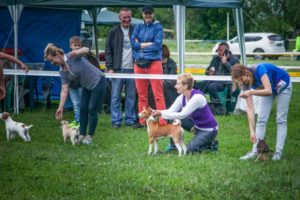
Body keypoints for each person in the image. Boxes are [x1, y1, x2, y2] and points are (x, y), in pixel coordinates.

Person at [44, 43, 107, 145]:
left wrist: (76, 52)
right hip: (86, 86)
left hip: (99, 81)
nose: (52, 63)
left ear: (57, 54)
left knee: (91, 109)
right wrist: (60, 107)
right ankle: (81, 136)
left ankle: (89, 137)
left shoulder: (72, 56)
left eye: (52, 60)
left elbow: (86, 49)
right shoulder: (62, 71)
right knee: (82, 109)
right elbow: (64, 89)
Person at [231, 63, 292, 161]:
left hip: (283, 84)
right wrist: (252, 132)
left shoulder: (260, 69)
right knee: (261, 118)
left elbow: (268, 91)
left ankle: (278, 152)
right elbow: (250, 109)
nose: (241, 82)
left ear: (246, 73)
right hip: (270, 88)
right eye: (238, 80)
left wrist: (251, 92)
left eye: (241, 79)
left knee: (281, 119)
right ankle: (255, 150)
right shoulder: (245, 83)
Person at [152, 73, 218, 154]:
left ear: (185, 86)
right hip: (197, 127)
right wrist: (157, 112)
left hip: (209, 130)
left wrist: (160, 114)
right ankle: (174, 146)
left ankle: (211, 144)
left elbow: (182, 115)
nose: (175, 86)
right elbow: (171, 111)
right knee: (173, 118)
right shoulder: (182, 97)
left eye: (178, 84)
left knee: (188, 151)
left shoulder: (197, 98)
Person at [105, 8, 141, 129]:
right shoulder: (113, 32)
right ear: (119, 17)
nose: (127, 19)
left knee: (131, 96)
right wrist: (110, 68)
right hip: (117, 69)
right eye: (124, 17)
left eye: (129, 17)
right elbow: (108, 51)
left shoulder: (136, 30)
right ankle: (116, 121)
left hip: (133, 69)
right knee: (115, 96)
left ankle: (130, 120)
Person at [131, 5, 166, 126]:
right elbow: (133, 45)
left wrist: (141, 47)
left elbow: (157, 46)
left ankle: (162, 120)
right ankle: (143, 121)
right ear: (142, 15)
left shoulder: (158, 27)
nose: (147, 15)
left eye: (149, 13)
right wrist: (147, 45)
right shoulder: (138, 27)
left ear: (153, 14)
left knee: (158, 95)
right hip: (139, 64)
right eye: (145, 13)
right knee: (141, 95)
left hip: (154, 64)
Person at [67, 36, 84, 128]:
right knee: (75, 104)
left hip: (81, 84)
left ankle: (81, 121)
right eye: (75, 45)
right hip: (71, 85)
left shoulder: (82, 56)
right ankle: (77, 120)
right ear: (70, 46)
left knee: (82, 103)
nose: (77, 47)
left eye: (79, 45)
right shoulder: (67, 57)